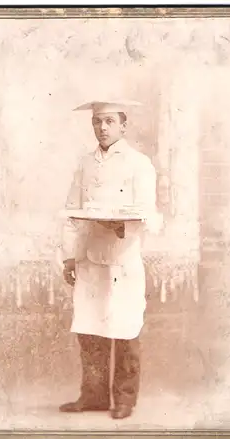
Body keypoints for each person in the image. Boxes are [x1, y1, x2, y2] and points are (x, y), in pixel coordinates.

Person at [59, 100, 162, 419]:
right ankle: (93, 395)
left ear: (123, 126)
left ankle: (125, 399)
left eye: (108, 121)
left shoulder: (139, 163)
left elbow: (150, 215)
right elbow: (70, 212)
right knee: (90, 329)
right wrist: (68, 257)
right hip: (89, 257)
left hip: (122, 258)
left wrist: (121, 224)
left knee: (124, 328)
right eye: (97, 122)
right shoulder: (84, 164)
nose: (102, 128)